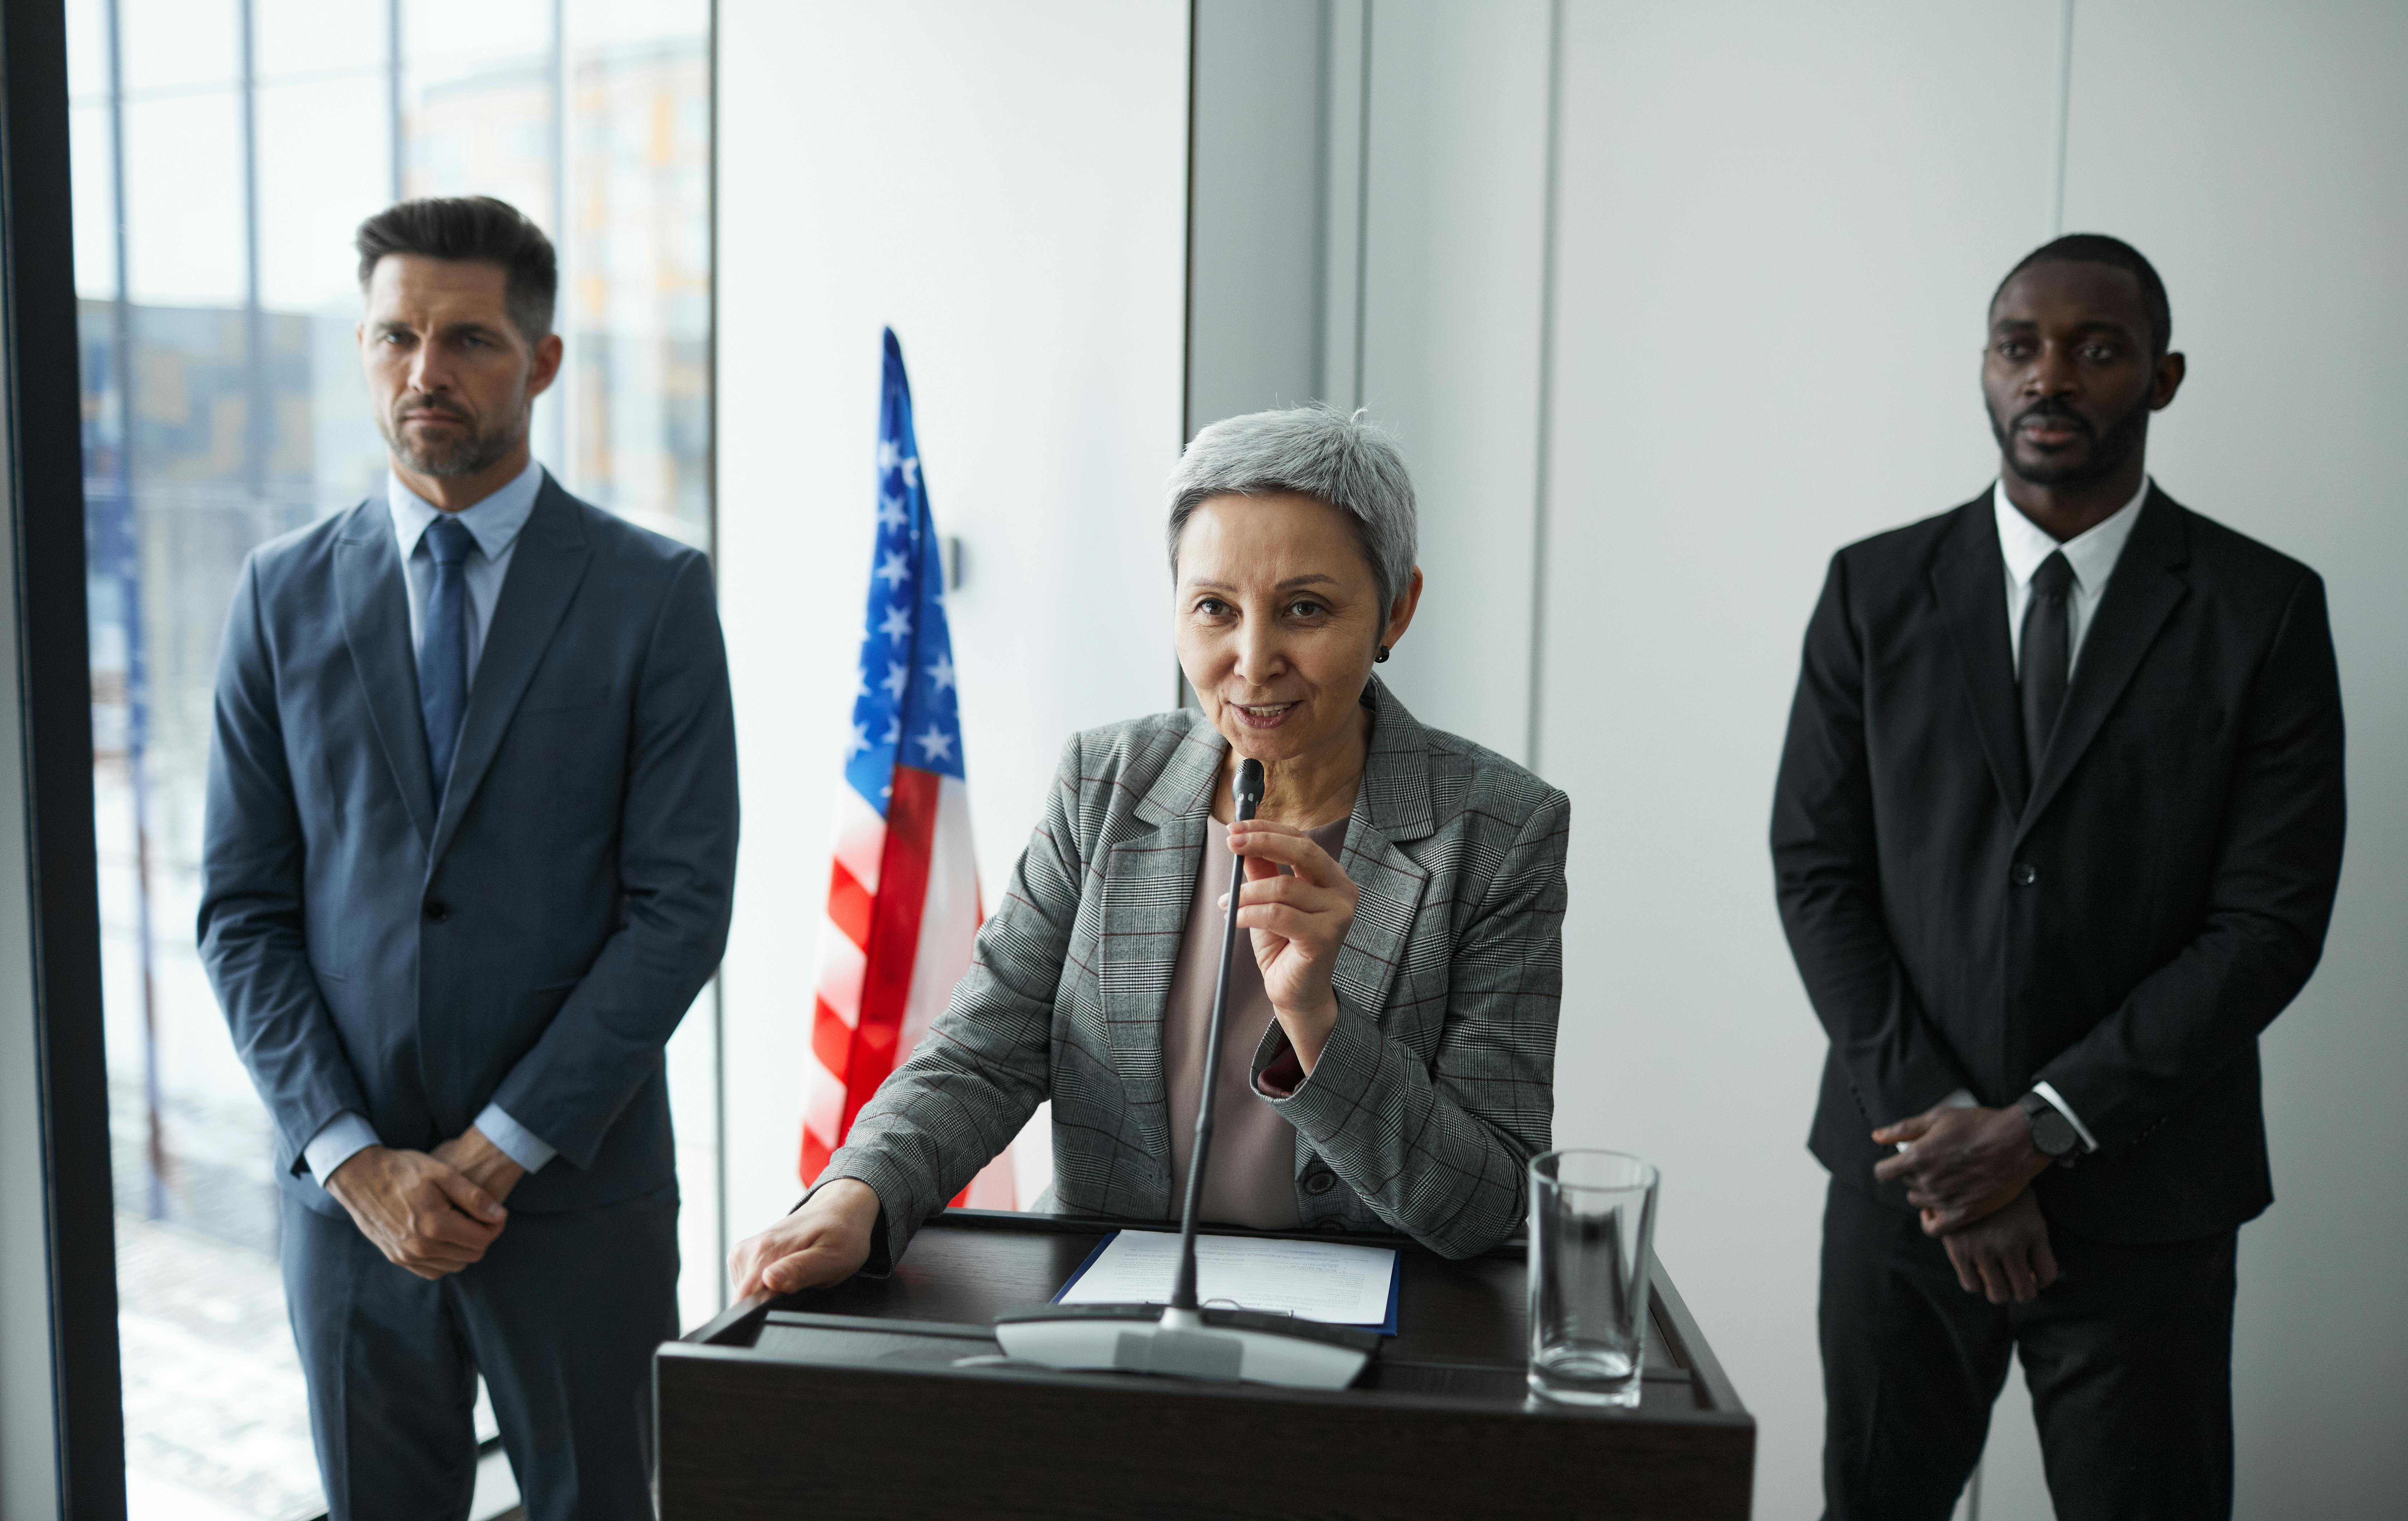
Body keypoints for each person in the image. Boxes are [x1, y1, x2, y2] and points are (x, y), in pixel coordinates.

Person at [730, 405, 1570, 1295]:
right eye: (1215, 607)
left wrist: (1321, 1024)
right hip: (1108, 1317)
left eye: (1306, 609)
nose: (1253, 660)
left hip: (1381, 1338)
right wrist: (856, 1191)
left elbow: (1492, 1201)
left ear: (1396, 607)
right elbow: (982, 1052)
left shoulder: (1499, 831)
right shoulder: (1105, 784)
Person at [1772, 235, 2346, 1520]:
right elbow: (1818, 874)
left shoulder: (2264, 611)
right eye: (2020, 345)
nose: (2053, 377)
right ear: (1984, 369)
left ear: (2164, 376)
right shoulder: (1873, 591)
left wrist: (2039, 1129)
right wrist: (1950, 1152)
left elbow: (2271, 923)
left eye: (2098, 349)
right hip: (1903, 1194)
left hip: (2149, 1203)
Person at [199, 196, 739, 1521]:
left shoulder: (652, 595)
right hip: (349, 1211)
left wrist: (495, 1153)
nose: (424, 373)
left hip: (573, 1206)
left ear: (542, 361)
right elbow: (244, 911)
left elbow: (678, 911)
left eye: (467, 339)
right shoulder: (277, 593)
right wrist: (351, 1160)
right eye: (394, 337)